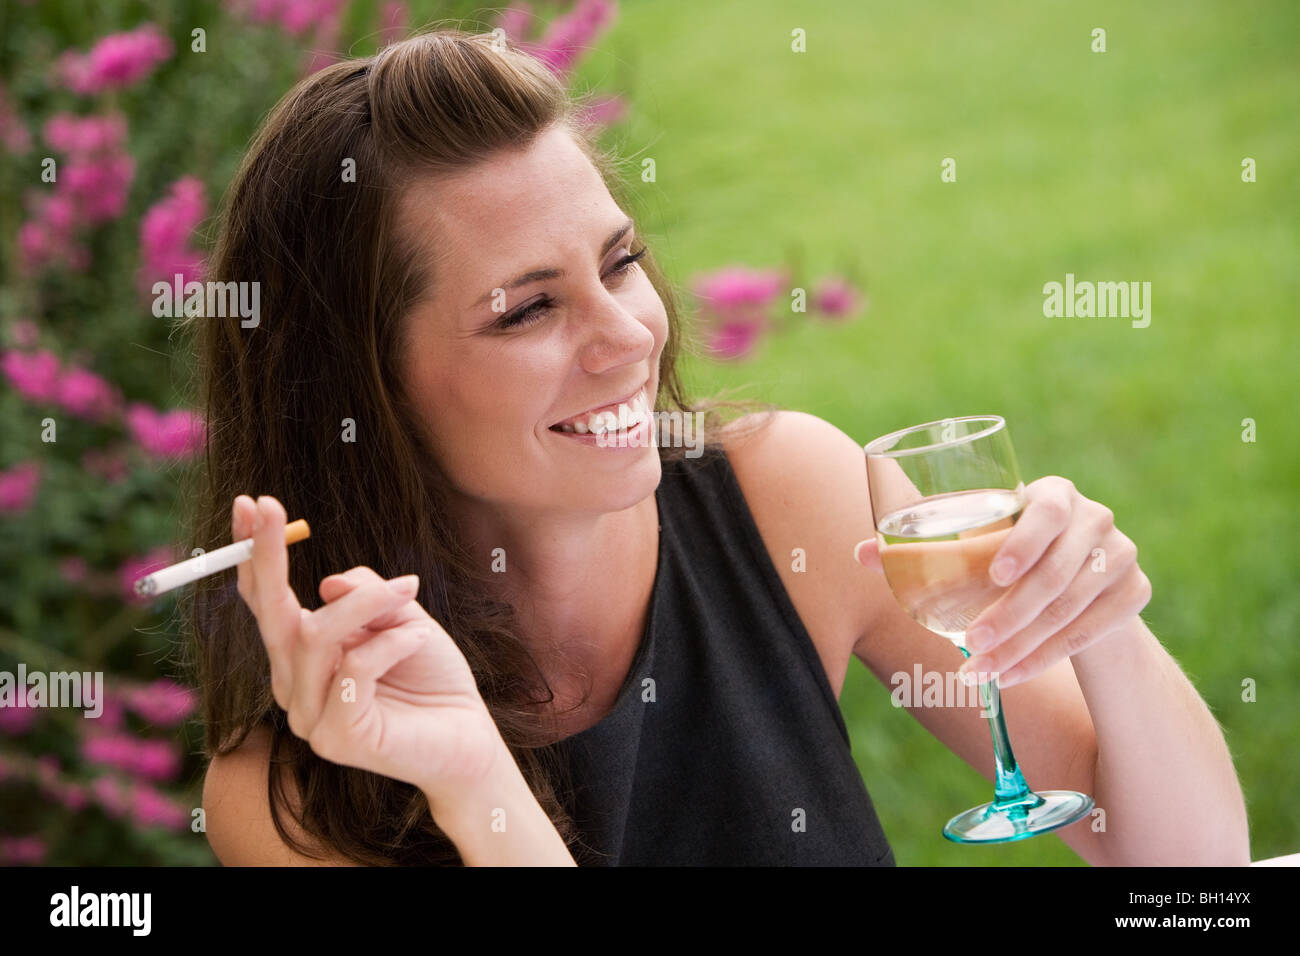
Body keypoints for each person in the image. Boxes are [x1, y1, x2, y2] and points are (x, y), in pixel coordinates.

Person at [190, 29, 1249, 866]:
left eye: (619, 262)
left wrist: (1105, 623)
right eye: (524, 311)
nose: (626, 337)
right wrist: (475, 782)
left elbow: (1188, 867)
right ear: (362, 387)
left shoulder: (793, 500)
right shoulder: (296, 788)